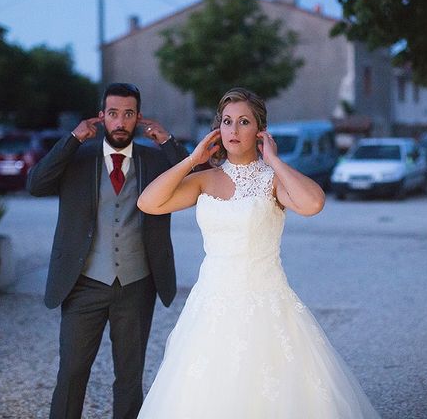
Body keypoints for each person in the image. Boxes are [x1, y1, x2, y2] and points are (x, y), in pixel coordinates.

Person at [136, 87, 380, 418]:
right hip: (211, 304)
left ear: (259, 130)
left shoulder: (273, 181)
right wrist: (193, 159)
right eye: (226, 121)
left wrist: (275, 161)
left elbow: (314, 204)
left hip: (266, 302)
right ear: (216, 129)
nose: (233, 130)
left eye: (244, 122)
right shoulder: (203, 180)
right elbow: (148, 202)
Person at [27, 82, 188, 419]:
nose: (120, 121)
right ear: (101, 117)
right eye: (113, 113)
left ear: (138, 118)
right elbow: (36, 184)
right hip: (83, 283)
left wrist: (168, 141)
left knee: (129, 379)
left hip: (137, 284)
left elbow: (196, 180)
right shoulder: (78, 158)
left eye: (128, 114)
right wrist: (72, 139)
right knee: (71, 373)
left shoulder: (155, 159)